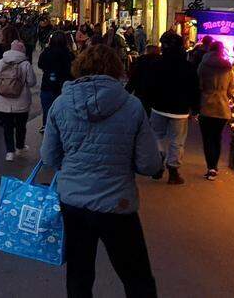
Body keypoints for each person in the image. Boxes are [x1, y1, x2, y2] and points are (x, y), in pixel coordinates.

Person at [41, 45, 162, 298]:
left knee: (79, 274)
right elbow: (149, 165)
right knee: (136, 277)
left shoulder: (62, 104)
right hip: (116, 202)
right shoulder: (132, 106)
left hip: (73, 202)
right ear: (117, 69)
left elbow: (49, 157)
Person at [132, 32, 198, 185]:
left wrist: (148, 102)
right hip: (180, 110)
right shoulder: (187, 66)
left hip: (159, 106)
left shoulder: (156, 64)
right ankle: (173, 170)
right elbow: (194, 88)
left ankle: (158, 164)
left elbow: (149, 85)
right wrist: (194, 106)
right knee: (177, 141)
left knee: (157, 136)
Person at [198, 40, 234, 181]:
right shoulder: (228, 67)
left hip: (206, 105)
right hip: (222, 107)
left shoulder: (203, 65)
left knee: (207, 138)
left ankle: (211, 167)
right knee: (217, 137)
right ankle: (215, 166)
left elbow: (199, 84)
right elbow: (231, 89)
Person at [0, 40, 36, 161]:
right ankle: (20, 147)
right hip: (21, 100)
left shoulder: (2, 61)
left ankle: (9, 152)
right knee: (21, 125)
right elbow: (32, 82)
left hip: (4, 101)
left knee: (7, 127)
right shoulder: (25, 63)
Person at [37, 30, 75, 131]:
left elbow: (40, 64)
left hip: (47, 84)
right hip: (63, 86)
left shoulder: (47, 52)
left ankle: (46, 125)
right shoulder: (67, 54)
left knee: (47, 109)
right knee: (62, 110)